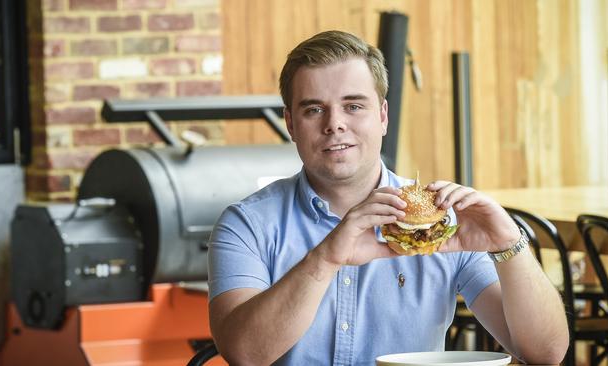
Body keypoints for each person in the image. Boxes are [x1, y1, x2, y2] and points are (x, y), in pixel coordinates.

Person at [207, 30, 568, 365]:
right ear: (290, 123)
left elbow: (545, 353)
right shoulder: (247, 224)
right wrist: (325, 259)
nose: (334, 124)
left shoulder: (440, 221)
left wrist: (508, 244)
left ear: (382, 116)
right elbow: (245, 355)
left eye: (354, 106)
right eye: (314, 109)